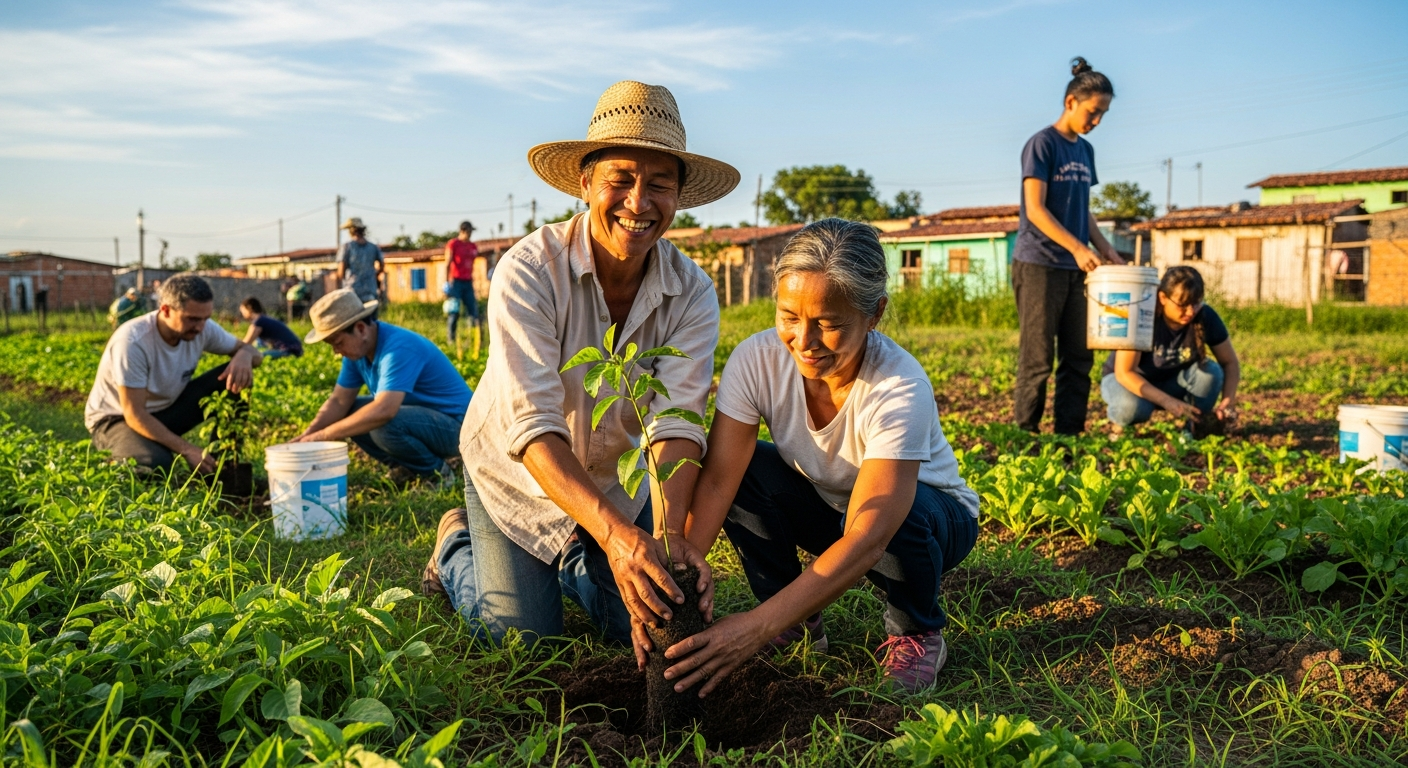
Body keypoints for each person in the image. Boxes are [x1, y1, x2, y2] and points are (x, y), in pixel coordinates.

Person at [419, 81, 740, 647]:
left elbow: (677, 423)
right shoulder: (529, 271)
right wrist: (617, 539)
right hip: (517, 476)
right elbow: (533, 427)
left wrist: (666, 542)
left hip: (615, 482)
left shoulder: (691, 293)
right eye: (620, 180)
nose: (638, 203)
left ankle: (575, 554)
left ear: (678, 196)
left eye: (659, 184)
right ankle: (455, 548)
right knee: (523, 640)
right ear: (586, 184)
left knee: (644, 617)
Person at [640, 219, 980, 695]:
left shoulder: (898, 386)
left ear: (874, 314)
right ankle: (795, 622)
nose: (805, 340)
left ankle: (917, 631)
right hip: (833, 511)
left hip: (928, 522)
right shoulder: (756, 361)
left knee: (898, 515)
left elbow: (870, 536)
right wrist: (679, 572)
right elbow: (718, 481)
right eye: (789, 317)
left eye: (829, 324)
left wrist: (754, 626)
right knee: (747, 472)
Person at [1013, 57, 1124, 435]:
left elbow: (1083, 210)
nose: (1097, 121)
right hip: (1039, 264)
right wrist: (1078, 248)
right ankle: (1025, 436)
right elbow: (1036, 210)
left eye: (1103, 114)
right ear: (1071, 102)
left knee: (1079, 355)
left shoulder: (1085, 151)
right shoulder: (1042, 144)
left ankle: (1069, 438)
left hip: (1078, 270)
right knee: (1038, 358)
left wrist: (1105, 249)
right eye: (1093, 111)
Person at [85, 274, 262, 473]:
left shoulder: (202, 328)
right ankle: (121, 453)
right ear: (166, 310)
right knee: (154, 464)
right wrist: (187, 449)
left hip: (165, 411)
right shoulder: (133, 341)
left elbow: (257, 356)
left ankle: (221, 466)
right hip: (116, 419)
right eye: (192, 319)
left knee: (236, 377)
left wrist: (245, 354)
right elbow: (134, 414)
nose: (200, 327)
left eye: (205, 319)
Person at [295, 289, 471, 487]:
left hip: (459, 428)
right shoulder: (357, 354)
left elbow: (385, 410)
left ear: (361, 329)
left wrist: (325, 435)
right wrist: (307, 436)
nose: (336, 351)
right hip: (424, 420)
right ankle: (406, 468)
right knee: (352, 412)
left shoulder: (397, 348)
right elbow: (339, 401)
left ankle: (437, 474)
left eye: (338, 343)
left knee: (382, 422)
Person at [1101, 266, 1241, 434]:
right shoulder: (1143, 315)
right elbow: (1125, 373)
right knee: (1131, 407)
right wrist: (1166, 401)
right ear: (1163, 297)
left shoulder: (1205, 316)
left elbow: (1229, 362)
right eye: (1183, 305)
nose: (1190, 311)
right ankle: (1119, 427)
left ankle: (1192, 430)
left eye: (1196, 303)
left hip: (1174, 383)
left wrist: (1228, 401)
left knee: (1211, 372)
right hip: (1129, 383)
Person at [443, 221, 484, 352]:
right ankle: (451, 340)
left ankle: (474, 340)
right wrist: (446, 282)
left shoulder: (472, 246)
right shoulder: (453, 244)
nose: (470, 234)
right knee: (454, 313)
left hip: (468, 282)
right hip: (456, 282)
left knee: (473, 313)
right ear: (463, 231)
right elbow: (447, 263)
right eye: (469, 231)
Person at [337, 218, 385, 303]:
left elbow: (341, 271)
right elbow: (382, 264)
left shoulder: (347, 247)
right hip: (370, 289)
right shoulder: (373, 247)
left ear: (351, 230)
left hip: (352, 291)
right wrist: (374, 274)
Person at [239, 297, 303, 358]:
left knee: (255, 357)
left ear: (248, 309)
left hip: (288, 350)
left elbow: (246, 343)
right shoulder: (263, 319)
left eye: (243, 310)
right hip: (295, 349)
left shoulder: (259, 322)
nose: (242, 313)